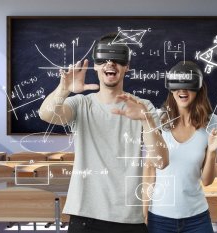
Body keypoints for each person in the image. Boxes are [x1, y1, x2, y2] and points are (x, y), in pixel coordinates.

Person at [39, 33, 169, 233]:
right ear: (96, 66)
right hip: (85, 215)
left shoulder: (143, 107)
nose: (111, 64)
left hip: (129, 217)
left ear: (127, 66)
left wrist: (146, 119)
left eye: (118, 59)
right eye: (104, 60)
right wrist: (64, 89)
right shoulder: (81, 104)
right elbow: (46, 114)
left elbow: (161, 161)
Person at [147, 61, 217, 233]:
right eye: (177, 86)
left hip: (196, 217)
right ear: (170, 88)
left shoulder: (212, 122)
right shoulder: (158, 119)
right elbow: (149, 170)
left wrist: (212, 152)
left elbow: (207, 181)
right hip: (160, 217)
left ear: (198, 89)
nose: (182, 91)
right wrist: (143, 214)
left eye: (188, 86)